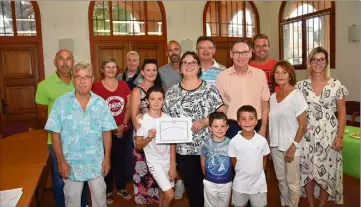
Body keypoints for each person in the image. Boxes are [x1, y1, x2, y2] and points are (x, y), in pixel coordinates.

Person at [45, 61, 117, 207]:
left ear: (92, 80)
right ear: (73, 80)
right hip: (71, 164)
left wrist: (107, 158)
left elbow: (107, 132)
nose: (82, 81)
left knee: (100, 199)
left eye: (86, 77)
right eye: (78, 77)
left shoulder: (101, 103)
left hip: (96, 163)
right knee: (72, 200)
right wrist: (61, 162)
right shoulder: (61, 103)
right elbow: (55, 134)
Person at [163, 51, 226, 207]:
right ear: (181, 67)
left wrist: (205, 122)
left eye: (193, 63)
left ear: (198, 67)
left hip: (209, 147)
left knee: (210, 187)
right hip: (184, 150)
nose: (189, 65)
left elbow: (222, 111)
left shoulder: (209, 90)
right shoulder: (171, 92)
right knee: (193, 188)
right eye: (185, 62)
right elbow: (164, 119)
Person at [35, 49, 88, 207]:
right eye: (61, 59)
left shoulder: (80, 81)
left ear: (73, 61)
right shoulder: (44, 86)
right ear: (55, 61)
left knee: (81, 177)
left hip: (81, 140)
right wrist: (61, 129)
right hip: (57, 141)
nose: (65, 63)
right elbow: (41, 115)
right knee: (60, 181)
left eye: (68, 59)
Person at [296, 47, 347, 206]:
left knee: (327, 171)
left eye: (321, 59)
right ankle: (311, 203)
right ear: (309, 63)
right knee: (308, 171)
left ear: (326, 63)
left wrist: (339, 137)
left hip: (329, 135)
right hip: (307, 134)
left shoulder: (336, 84)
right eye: (314, 59)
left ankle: (321, 204)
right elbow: (294, 112)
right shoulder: (301, 86)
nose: (318, 62)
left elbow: (342, 112)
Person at [92, 57, 132, 204]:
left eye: (113, 67)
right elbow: (94, 110)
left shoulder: (123, 85)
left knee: (121, 161)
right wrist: (109, 129)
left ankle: (121, 187)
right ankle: (107, 189)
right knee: (106, 160)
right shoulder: (95, 87)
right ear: (102, 70)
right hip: (104, 133)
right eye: (107, 67)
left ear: (117, 69)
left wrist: (123, 124)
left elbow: (128, 105)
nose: (111, 69)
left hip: (123, 130)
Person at [269, 61, 307, 207]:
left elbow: (303, 125)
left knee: (292, 182)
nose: (280, 75)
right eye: (277, 72)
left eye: (284, 72)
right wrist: (270, 144)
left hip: (291, 146)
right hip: (275, 146)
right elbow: (271, 124)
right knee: (280, 180)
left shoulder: (297, 95)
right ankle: (284, 203)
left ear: (290, 75)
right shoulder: (273, 97)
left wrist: (293, 146)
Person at [216, 40, 270, 139]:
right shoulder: (222, 77)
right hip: (232, 127)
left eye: (244, 52)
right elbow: (221, 107)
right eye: (237, 53)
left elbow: (265, 105)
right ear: (231, 54)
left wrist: (263, 129)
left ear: (250, 53)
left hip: (256, 125)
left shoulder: (260, 74)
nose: (241, 57)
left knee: (256, 155)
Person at [135, 86, 176, 207]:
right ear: (147, 101)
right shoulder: (142, 120)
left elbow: (172, 144)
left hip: (168, 161)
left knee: (164, 194)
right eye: (152, 99)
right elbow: (138, 145)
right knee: (170, 194)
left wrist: (173, 165)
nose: (156, 102)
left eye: (159, 99)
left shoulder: (168, 119)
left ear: (164, 100)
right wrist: (148, 138)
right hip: (154, 162)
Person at [130, 59, 163, 204]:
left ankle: (156, 199)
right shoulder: (137, 90)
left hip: (158, 135)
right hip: (142, 136)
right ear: (142, 72)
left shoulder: (160, 89)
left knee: (157, 171)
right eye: (147, 70)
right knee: (144, 170)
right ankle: (143, 199)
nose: (151, 73)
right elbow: (133, 116)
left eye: (154, 70)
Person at [228, 105, 270, 207]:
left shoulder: (262, 141)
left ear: (256, 121)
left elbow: (264, 159)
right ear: (238, 122)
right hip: (240, 185)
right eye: (243, 119)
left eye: (251, 118)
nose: (247, 122)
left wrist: (258, 173)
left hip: (259, 186)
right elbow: (233, 161)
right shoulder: (234, 141)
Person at [116, 51, 142, 184]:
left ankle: (134, 175)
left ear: (138, 62)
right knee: (123, 150)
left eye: (134, 60)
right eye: (129, 60)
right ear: (126, 61)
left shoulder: (142, 77)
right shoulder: (119, 76)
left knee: (135, 148)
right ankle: (124, 176)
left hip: (137, 117)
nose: (132, 62)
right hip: (122, 116)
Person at [200, 112, 232, 207]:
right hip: (210, 183)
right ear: (210, 128)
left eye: (222, 126)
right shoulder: (206, 143)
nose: (219, 129)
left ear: (227, 127)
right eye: (216, 126)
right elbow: (202, 160)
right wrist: (206, 175)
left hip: (226, 183)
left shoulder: (231, 143)